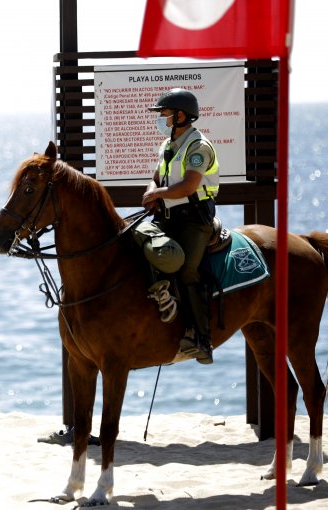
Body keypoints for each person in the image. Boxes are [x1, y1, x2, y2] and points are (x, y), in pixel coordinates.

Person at [141, 88, 219, 365]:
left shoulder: (199, 147)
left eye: (164, 113)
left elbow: (188, 186)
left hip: (194, 220)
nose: (160, 118)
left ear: (181, 116)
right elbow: (156, 177)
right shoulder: (167, 145)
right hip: (168, 217)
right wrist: (152, 192)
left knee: (187, 270)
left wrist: (158, 194)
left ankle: (202, 339)